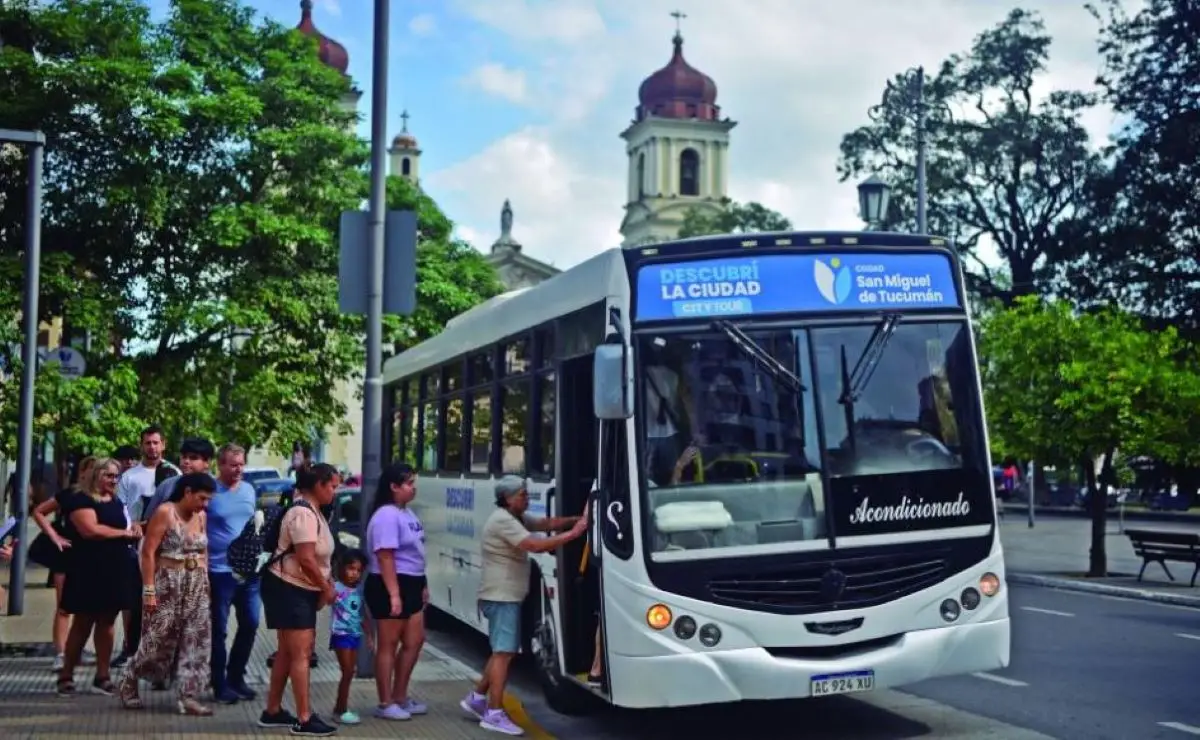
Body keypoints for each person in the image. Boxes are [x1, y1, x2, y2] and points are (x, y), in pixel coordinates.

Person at [461, 475, 588, 736]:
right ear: (508, 498)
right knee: (504, 654)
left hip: (505, 595)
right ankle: (494, 713)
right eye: (522, 495)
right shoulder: (503, 522)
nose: (527, 499)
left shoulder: (514, 517)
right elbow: (536, 545)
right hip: (502, 596)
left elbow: (546, 523)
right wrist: (574, 534)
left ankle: (476, 699)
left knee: (501, 652)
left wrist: (577, 520)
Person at [117, 472, 216, 714]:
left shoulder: (201, 516)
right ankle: (130, 678)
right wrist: (149, 589)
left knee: (197, 640)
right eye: (202, 498)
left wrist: (206, 583)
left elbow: (203, 552)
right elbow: (148, 552)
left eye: (208, 500)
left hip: (195, 584)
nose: (205, 504)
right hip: (168, 583)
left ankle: (189, 696)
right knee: (158, 639)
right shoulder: (165, 512)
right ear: (188, 492)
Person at [258, 463, 340, 737]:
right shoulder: (302, 514)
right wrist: (325, 588)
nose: (335, 491)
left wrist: (322, 585)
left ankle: (272, 711)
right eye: (332, 486)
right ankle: (304, 718)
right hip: (289, 588)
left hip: (294, 587)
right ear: (318, 485)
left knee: (286, 651)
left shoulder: (312, 510)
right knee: (301, 654)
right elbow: (305, 558)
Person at [56, 458, 142, 697]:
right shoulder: (81, 499)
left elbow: (123, 523)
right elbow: (90, 530)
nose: (113, 481)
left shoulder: (115, 500)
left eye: (116, 476)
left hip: (115, 568)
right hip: (88, 568)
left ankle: (102, 676)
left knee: (107, 621)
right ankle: (66, 675)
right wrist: (124, 533)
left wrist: (134, 528)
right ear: (96, 476)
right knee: (83, 622)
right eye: (108, 476)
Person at [363, 463, 428, 721]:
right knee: (388, 644)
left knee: (415, 640)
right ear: (393, 487)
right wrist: (394, 594)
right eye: (409, 483)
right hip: (389, 582)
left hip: (412, 581)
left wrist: (423, 585)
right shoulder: (386, 516)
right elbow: (386, 556)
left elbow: (417, 553)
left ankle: (400, 696)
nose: (414, 488)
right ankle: (385, 701)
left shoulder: (407, 513)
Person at [30, 455, 98, 671]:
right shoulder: (70, 494)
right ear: (82, 473)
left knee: (86, 607)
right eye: (91, 470)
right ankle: (60, 652)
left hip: (89, 556)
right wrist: (53, 535)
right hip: (66, 554)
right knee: (64, 606)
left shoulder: (104, 496)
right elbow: (39, 512)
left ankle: (76, 649)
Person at [208, 443, 261, 704]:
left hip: (249, 571)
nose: (238, 469)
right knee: (218, 629)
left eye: (241, 463)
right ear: (221, 465)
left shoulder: (249, 490)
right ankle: (218, 684)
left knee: (251, 623)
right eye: (233, 464)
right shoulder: (210, 491)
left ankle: (236, 677)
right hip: (219, 571)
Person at [329, 548, 371, 725]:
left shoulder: (358, 590)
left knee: (349, 672)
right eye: (351, 568)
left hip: (354, 634)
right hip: (341, 634)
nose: (355, 574)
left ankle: (341, 708)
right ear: (342, 568)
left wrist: (369, 636)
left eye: (359, 570)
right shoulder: (336, 588)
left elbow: (362, 614)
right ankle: (340, 709)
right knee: (347, 671)